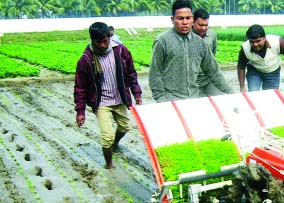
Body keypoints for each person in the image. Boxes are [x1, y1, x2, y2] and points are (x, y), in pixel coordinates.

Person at [74, 22, 142, 169]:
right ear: (92, 40)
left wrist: (136, 92)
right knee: (107, 136)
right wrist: (80, 111)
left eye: (105, 41)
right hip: (101, 102)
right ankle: (109, 165)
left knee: (124, 127)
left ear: (109, 37)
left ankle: (114, 144)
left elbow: (131, 73)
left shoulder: (121, 51)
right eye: (99, 42)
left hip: (119, 98)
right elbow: (80, 87)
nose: (103, 45)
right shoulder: (86, 59)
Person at [149, 0, 233, 102]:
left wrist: (231, 92)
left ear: (192, 19)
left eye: (188, 18)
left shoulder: (199, 42)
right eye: (180, 18)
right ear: (172, 19)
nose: (185, 22)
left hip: (193, 97)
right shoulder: (162, 41)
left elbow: (213, 70)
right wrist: (161, 98)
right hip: (170, 99)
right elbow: (155, 73)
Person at [237, 24, 284, 92]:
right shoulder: (245, 48)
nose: (255, 44)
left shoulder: (278, 42)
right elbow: (241, 66)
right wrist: (242, 87)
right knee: (254, 93)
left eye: (258, 41)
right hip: (254, 71)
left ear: (264, 38)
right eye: (252, 42)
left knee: (270, 96)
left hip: (273, 72)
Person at [192, 8, 224, 97]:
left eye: (206, 25)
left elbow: (213, 53)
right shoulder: (186, 36)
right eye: (200, 25)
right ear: (193, 22)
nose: (204, 28)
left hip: (209, 78)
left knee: (219, 99)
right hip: (193, 81)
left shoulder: (212, 35)